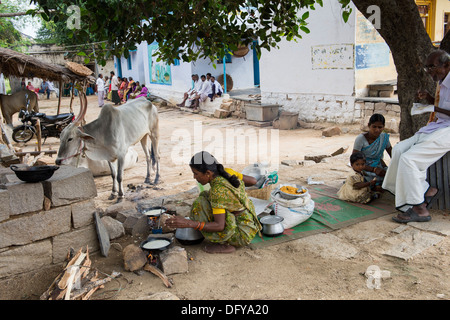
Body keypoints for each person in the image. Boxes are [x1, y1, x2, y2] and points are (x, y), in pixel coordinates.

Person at [383, 49, 450, 223]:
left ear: (447, 65)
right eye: (427, 68)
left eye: (432, 67)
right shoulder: (442, 82)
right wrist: (429, 100)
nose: (429, 72)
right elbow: (442, 108)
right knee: (398, 150)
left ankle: (420, 209)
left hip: (447, 131)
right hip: (436, 127)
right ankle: (423, 191)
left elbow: (443, 111)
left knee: (409, 159)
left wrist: (434, 108)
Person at [165, 151, 262, 254]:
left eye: (196, 173)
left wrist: (189, 223)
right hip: (249, 222)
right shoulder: (227, 172)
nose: (194, 177)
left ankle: (226, 244)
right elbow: (253, 181)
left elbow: (219, 226)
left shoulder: (217, 192)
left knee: (199, 205)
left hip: (241, 234)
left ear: (208, 173)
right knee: (205, 196)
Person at [353, 114, 392, 189]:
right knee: (366, 182)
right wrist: (373, 169)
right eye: (374, 127)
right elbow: (354, 160)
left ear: (383, 127)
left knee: (391, 176)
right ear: (369, 125)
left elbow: (392, 155)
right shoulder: (361, 139)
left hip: (379, 166)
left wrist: (387, 168)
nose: (377, 130)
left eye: (380, 127)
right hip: (364, 167)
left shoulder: (384, 138)